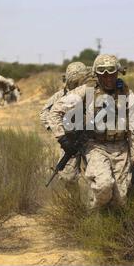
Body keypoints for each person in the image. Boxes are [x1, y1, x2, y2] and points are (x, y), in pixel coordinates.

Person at [49, 54, 134, 209]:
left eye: (111, 73)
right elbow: (55, 111)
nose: (108, 78)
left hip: (121, 148)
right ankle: (91, 215)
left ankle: (109, 222)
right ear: (96, 74)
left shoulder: (128, 95)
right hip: (95, 147)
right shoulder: (86, 91)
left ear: (117, 73)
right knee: (103, 186)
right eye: (103, 73)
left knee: (120, 200)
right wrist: (62, 139)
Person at [40, 62, 95, 191]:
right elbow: (44, 113)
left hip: (91, 139)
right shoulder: (60, 96)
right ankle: (75, 205)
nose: (77, 84)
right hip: (69, 139)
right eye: (75, 82)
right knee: (67, 176)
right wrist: (57, 130)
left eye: (80, 81)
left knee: (95, 173)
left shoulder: (90, 92)